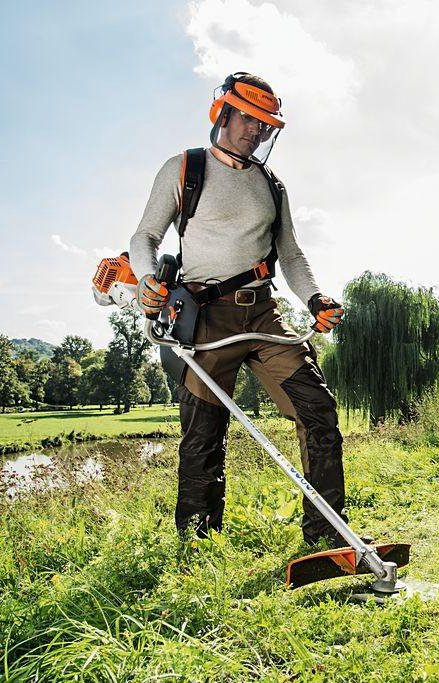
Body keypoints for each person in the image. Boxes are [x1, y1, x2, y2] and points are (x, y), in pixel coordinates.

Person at [129, 72, 354, 547]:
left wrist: (315, 298)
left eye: (266, 125)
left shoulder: (272, 185)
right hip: (205, 318)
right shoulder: (185, 169)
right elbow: (145, 237)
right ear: (224, 113)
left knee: (318, 410)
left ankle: (327, 534)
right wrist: (148, 279)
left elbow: (291, 255)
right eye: (251, 119)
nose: (257, 131)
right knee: (202, 436)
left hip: (263, 317)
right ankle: (197, 545)